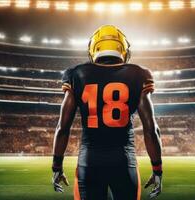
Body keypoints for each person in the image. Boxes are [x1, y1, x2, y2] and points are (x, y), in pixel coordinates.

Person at [52, 25, 163, 200]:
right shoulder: (139, 74)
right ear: (123, 49)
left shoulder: (76, 74)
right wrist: (157, 168)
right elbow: (151, 129)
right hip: (124, 161)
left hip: (89, 161)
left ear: (93, 48)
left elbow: (62, 128)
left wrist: (56, 166)